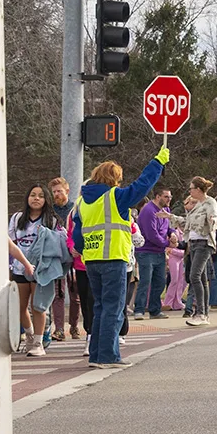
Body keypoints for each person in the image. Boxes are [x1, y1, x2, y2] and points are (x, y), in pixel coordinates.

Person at [72, 146, 170, 368]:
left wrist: (85, 249)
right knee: (114, 308)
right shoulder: (114, 196)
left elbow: (78, 235)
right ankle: (108, 356)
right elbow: (142, 185)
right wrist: (158, 162)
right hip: (114, 258)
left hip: (92, 260)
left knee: (100, 307)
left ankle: (96, 354)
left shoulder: (81, 202)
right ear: (113, 179)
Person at [158, 177, 217, 327]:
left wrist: (213, 221)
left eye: (191, 188)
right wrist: (171, 217)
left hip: (204, 243)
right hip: (193, 243)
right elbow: (188, 223)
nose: (190, 191)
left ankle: (200, 313)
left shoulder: (209, 202)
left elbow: (215, 217)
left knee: (194, 275)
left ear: (198, 189)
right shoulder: (198, 205)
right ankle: (204, 313)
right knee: (202, 279)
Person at [9, 184, 60, 357]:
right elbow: (11, 243)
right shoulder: (17, 218)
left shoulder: (51, 221)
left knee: (38, 306)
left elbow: (56, 245)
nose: (36, 199)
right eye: (32, 195)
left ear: (46, 200)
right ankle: (30, 336)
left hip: (42, 270)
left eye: (40, 196)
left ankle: (39, 342)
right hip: (19, 268)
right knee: (20, 306)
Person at [49, 177, 81, 341]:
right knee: (58, 294)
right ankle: (59, 329)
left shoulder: (75, 209)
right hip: (58, 257)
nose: (56, 194)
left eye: (59, 191)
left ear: (67, 191)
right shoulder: (50, 211)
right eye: (54, 192)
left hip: (74, 255)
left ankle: (74, 326)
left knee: (75, 294)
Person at [133, 187, 172, 320]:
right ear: (157, 197)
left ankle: (155, 310)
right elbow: (152, 235)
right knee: (145, 281)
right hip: (146, 251)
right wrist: (168, 244)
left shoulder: (165, 210)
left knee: (160, 281)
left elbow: (167, 226)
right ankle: (139, 309)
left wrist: (171, 234)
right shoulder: (149, 211)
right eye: (166, 196)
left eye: (170, 197)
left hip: (159, 252)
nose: (169, 199)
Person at [66, 194, 93, 356]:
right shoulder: (74, 212)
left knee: (93, 299)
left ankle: (94, 335)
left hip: (97, 261)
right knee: (84, 300)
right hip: (80, 265)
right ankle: (89, 332)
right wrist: (72, 247)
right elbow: (69, 234)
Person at [120, 212, 145, 344]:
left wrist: (133, 229)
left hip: (127, 266)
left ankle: (122, 332)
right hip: (113, 262)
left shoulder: (132, 223)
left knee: (122, 301)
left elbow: (140, 242)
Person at [164, 231, 186, 310]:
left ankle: (177, 301)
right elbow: (169, 247)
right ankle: (168, 302)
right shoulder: (174, 232)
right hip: (173, 257)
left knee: (180, 280)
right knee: (174, 280)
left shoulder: (184, 232)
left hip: (181, 258)